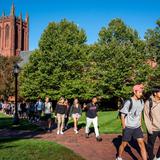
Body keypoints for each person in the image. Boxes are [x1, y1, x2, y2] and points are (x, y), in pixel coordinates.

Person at [116, 84, 147, 160]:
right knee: (124, 144)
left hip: (137, 127)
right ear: (134, 92)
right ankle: (119, 157)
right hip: (128, 127)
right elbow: (122, 116)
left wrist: (140, 125)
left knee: (141, 144)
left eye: (141, 92)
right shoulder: (128, 102)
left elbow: (139, 114)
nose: (141, 94)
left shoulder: (141, 102)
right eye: (139, 92)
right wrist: (124, 128)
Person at [144, 86, 160, 160]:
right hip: (153, 128)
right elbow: (146, 116)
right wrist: (149, 129)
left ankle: (158, 156)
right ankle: (151, 158)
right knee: (150, 145)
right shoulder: (148, 103)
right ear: (155, 93)